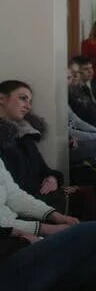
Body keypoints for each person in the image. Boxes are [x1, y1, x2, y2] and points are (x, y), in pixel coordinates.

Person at [0, 81, 69, 213]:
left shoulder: (26, 134)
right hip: (21, 208)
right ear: (2, 99)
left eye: (30, 101)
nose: (28, 106)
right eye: (22, 98)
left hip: (41, 201)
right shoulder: (5, 139)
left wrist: (52, 178)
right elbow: (10, 189)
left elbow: (44, 169)